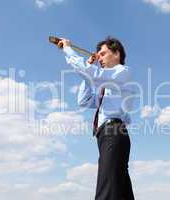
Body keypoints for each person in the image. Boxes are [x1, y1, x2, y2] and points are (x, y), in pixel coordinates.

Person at [58, 36, 135, 200]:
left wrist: (68, 49)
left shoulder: (122, 72)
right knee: (121, 192)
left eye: (103, 53)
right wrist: (90, 66)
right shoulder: (107, 87)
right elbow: (84, 101)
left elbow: (95, 75)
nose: (100, 57)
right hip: (107, 136)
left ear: (117, 54)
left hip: (113, 133)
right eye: (98, 54)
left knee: (106, 192)